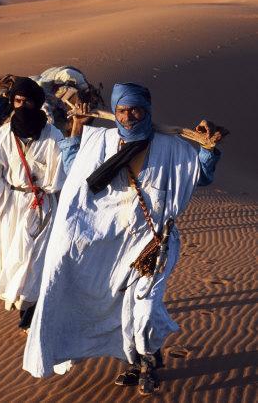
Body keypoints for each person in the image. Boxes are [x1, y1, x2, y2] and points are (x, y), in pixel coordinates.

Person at [22, 82, 221, 394]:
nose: (129, 117)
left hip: (153, 243)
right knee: (121, 308)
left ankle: (149, 362)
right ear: (114, 112)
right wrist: (77, 127)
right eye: (122, 111)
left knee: (145, 308)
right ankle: (137, 362)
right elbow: (76, 170)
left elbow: (202, 176)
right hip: (110, 245)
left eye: (136, 109)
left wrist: (208, 148)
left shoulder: (172, 147)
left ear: (148, 110)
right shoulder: (100, 141)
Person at [0, 78, 66, 330]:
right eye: (18, 101)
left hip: (44, 207)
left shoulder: (53, 135)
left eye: (28, 102)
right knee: (14, 257)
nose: (22, 106)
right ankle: (26, 307)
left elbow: (62, 176)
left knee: (37, 260)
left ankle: (31, 313)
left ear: (37, 104)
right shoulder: (1, 137)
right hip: (11, 208)